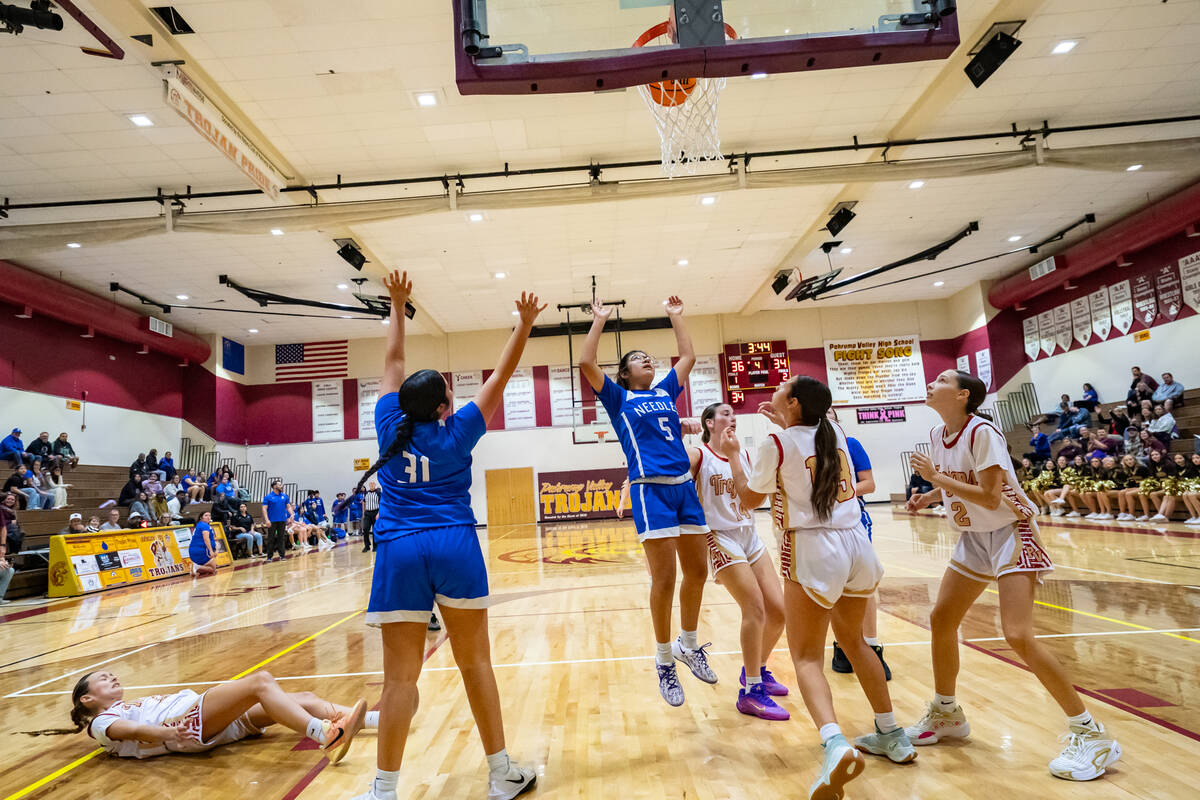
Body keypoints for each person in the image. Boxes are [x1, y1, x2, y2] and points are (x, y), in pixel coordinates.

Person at [351, 271, 543, 800]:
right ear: (441, 408)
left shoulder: (388, 417)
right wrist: (523, 325)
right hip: (454, 544)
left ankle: (384, 790)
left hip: (398, 549)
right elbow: (501, 377)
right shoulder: (459, 431)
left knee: (398, 681)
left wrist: (396, 304)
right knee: (475, 662)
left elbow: (391, 362)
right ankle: (502, 773)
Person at [905, 369, 1120, 780]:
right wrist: (929, 495)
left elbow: (989, 494)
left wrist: (935, 477)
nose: (932, 382)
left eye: (942, 379)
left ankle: (1091, 734)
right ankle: (946, 712)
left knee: (1018, 634)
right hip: (974, 536)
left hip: (1010, 532)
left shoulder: (982, 432)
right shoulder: (937, 436)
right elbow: (958, 484)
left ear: (963, 395)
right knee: (941, 620)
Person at [724, 376, 912, 799]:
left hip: (811, 548)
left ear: (792, 403)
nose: (775, 389)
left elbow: (748, 500)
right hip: (856, 546)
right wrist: (782, 425)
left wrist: (736, 457)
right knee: (856, 643)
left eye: (782, 388)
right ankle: (891, 732)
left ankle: (834, 743)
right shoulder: (836, 431)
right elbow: (801, 442)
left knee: (806, 656)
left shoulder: (776, 443)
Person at [579, 294, 716, 709]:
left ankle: (687, 645)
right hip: (648, 489)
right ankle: (663, 661)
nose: (648, 361)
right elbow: (586, 364)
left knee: (698, 571)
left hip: (682, 486)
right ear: (624, 373)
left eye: (649, 357)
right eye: (638, 358)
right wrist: (599, 321)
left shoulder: (664, 392)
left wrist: (677, 316)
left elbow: (688, 355)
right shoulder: (619, 399)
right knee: (665, 579)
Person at [689, 402, 788, 721]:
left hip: (749, 533)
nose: (732, 418)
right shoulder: (698, 455)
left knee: (779, 611)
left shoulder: (744, 455)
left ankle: (755, 670)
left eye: (734, 414)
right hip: (720, 536)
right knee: (755, 608)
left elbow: (757, 496)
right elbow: (665, 469)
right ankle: (750, 693)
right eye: (725, 414)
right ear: (709, 423)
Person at [62, 670, 369, 764]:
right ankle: (324, 734)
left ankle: (380, 720)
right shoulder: (101, 723)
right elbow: (127, 730)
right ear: (87, 698)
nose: (112, 677)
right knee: (260, 682)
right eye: (103, 678)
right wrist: (166, 734)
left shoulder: (129, 704)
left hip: (209, 723)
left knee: (304, 699)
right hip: (186, 725)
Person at [828, 408, 891, 681]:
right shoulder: (800, 447)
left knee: (863, 585)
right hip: (819, 524)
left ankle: (873, 644)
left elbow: (870, 484)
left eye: (829, 412)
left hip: (853, 519)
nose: (824, 416)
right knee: (834, 587)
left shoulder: (850, 444)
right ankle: (843, 645)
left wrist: (840, 491)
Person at [262, 481, 291, 562]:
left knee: (281, 538)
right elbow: (264, 509)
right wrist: (267, 520)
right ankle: (269, 557)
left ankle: (282, 556)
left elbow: (288, 507)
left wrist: (291, 514)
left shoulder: (284, 496)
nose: (281, 486)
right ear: (274, 486)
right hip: (272, 521)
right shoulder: (268, 497)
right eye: (279, 484)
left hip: (282, 520)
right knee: (271, 539)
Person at [189, 511, 219, 577]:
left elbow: (214, 539)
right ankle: (196, 567)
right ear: (201, 517)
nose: (208, 517)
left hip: (197, 550)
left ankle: (198, 568)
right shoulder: (204, 525)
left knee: (211, 570)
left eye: (209, 515)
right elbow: (206, 539)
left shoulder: (202, 525)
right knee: (213, 569)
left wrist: (216, 550)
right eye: (206, 515)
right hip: (201, 551)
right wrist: (211, 551)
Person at [1179, 453, 1200, 525]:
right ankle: (1194, 516)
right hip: (1197, 489)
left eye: (1197, 458)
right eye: (1193, 458)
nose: (1195, 460)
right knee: (1185, 494)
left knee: (1191, 495)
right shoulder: (1192, 468)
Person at [361, 480, 380, 552]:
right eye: (370, 484)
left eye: (373, 484)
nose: (372, 485)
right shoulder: (366, 493)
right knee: (365, 529)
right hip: (367, 513)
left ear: (375, 485)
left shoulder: (378, 493)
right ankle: (367, 545)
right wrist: (363, 512)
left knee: (375, 530)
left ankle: (375, 546)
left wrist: (379, 513)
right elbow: (363, 502)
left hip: (375, 512)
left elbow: (381, 503)